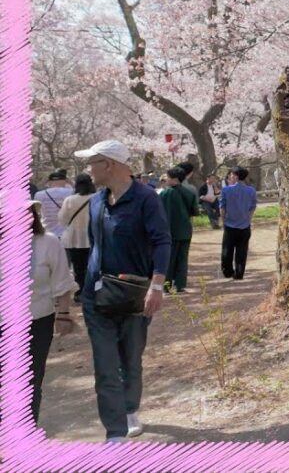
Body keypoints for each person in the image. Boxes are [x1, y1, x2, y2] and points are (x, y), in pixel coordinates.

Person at [74, 139, 170, 442]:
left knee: (131, 358)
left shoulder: (146, 199)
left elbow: (162, 242)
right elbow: (95, 245)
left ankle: (130, 410)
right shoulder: (96, 201)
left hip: (134, 296)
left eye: (92, 162)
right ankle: (114, 434)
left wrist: (156, 286)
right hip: (96, 297)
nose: (88, 170)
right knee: (105, 365)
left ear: (109, 165)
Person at [27, 200, 78, 425]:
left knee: (29, 382)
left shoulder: (47, 243)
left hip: (36, 322)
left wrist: (64, 315)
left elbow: (61, 281)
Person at [159, 167, 199, 294]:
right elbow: (194, 211)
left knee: (169, 259)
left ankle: (166, 285)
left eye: (168, 177)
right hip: (186, 230)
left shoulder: (165, 194)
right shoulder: (190, 192)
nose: (166, 179)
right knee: (182, 258)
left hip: (169, 231)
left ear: (174, 179)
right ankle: (180, 285)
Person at [59, 172, 96, 302]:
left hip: (73, 238)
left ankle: (80, 292)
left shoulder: (70, 200)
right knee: (93, 266)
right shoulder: (97, 197)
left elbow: (62, 220)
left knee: (78, 267)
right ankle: (92, 291)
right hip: (92, 237)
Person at [219, 166, 257, 280]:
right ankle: (239, 273)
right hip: (245, 225)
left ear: (235, 176)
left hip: (230, 224)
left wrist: (223, 220)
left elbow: (222, 207)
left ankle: (228, 271)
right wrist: (249, 219)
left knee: (227, 249)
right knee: (242, 250)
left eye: (232, 174)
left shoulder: (226, 190)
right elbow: (253, 207)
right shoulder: (251, 190)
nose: (230, 176)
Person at [35, 168, 73, 239]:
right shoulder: (70, 192)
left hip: (47, 232)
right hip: (65, 233)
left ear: (49, 182)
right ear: (65, 181)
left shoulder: (39, 195)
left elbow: (37, 213)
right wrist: (70, 182)